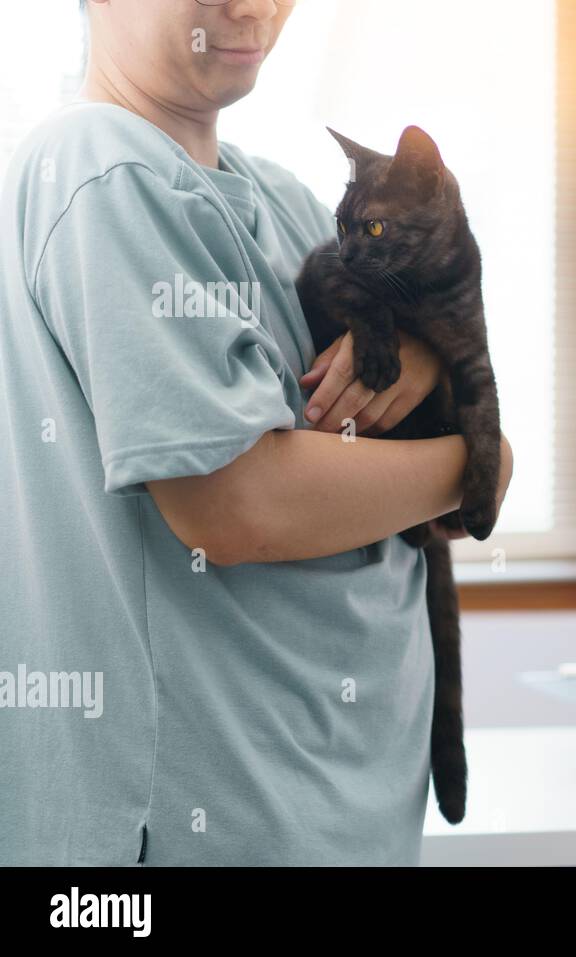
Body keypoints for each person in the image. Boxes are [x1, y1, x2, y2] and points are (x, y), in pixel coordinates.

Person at [0, 0, 511, 865]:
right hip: (213, 823)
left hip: (348, 814)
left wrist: (425, 361)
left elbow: (414, 397)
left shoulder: (288, 198)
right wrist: (478, 461)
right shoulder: (101, 168)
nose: (251, 7)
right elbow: (238, 502)